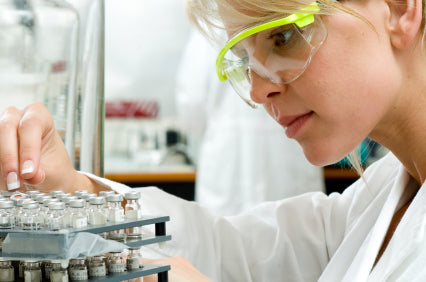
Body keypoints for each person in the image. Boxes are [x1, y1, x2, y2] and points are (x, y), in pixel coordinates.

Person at [0, 0, 426, 280]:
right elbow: (233, 254)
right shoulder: (381, 198)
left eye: (283, 36)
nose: (258, 91)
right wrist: (76, 194)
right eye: (243, 58)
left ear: (399, 8)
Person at [176, 30, 325, 216]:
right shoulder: (275, 23)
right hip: (284, 150)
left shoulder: (206, 33)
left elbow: (192, 106)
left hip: (227, 158)